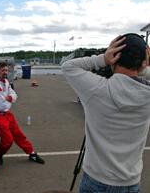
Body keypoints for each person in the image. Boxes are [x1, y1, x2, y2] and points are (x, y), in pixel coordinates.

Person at [62, 33, 150, 193]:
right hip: (130, 182)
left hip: (96, 179)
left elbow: (68, 66)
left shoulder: (96, 89)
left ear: (114, 56)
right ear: (144, 62)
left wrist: (102, 59)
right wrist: (144, 63)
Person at [0, 62, 45, 165]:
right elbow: (1, 106)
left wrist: (8, 98)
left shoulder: (5, 81)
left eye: (6, 70)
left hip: (6, 114)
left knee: (19, 134)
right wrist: (10, 101)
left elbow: (14, 94)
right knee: (8, 140)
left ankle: (31, 153)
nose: (5, 72)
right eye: (3, 70)